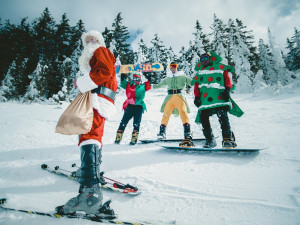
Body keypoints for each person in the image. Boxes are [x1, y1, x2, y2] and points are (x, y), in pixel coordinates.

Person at [56, 30, 117, 217]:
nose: (90, 42)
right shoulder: (95, 58)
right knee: (91, 138)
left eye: (94, 39)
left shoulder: (101, 51)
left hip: (97, 100)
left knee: (88, 137)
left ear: (99, 41)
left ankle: (90, 194)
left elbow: (104, 72)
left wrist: (84, 82)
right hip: (98, 100)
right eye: (87, 40)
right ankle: (91, 178)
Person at [192, 51, 244, 148]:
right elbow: (196, 86)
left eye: (206, 58)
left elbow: (227, 79)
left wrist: (227, 90)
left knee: (223, 116)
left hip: (220, 98)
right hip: (205, 101)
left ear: (210, 59)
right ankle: (210, 140)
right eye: (202, 59)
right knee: (203, 118)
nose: (204, 60)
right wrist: (197, 97)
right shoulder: (200, 73)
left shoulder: (219, 68)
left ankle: (228, 139)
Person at [153, 62, 193, 147]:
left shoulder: (182, 77)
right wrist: (149, 85)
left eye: (175, 66)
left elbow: (192, 82)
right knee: (166, 114)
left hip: (179, 96)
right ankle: (162, 133)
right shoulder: (167, 78)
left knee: (183, 112)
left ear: (177, 67)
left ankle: (187, 133)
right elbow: (159, 85)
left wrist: (199, 81)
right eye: (172, 67)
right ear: (170, 68)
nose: (173, 68)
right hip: (170, 97)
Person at [115, 72, 151, 145]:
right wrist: (123, 75)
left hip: (139, 107)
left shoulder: (143, 86)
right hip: (130, 106)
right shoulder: (128, 84)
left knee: (136, 124)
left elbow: (149, 84)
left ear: (140, 80)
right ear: (133, 79)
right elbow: (122, 82)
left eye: (138, 79)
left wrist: (149, 76)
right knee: (123, 122)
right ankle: (118, 138)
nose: (136, 81)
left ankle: (134, 139)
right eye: (135, 79)